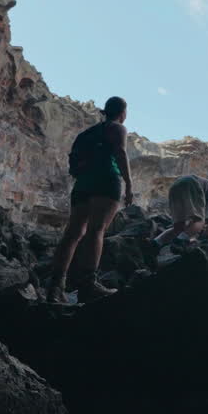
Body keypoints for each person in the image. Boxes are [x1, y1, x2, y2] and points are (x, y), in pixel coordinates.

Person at [47, 96, 133, 303]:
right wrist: (129, 184)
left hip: (83, 184)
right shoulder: (118, 127)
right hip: (106, 181)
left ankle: (55, 287)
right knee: (96, 230)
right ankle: (87, 285)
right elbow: (120, 152)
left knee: (73, 233)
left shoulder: (86, 133)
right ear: (122, 113)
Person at [150, 173, 208, 248]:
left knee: (179, 226)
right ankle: (180, 240)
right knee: (199, 220)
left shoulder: (204, 186)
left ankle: (156, 243)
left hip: (175, 186)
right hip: (192, 183)